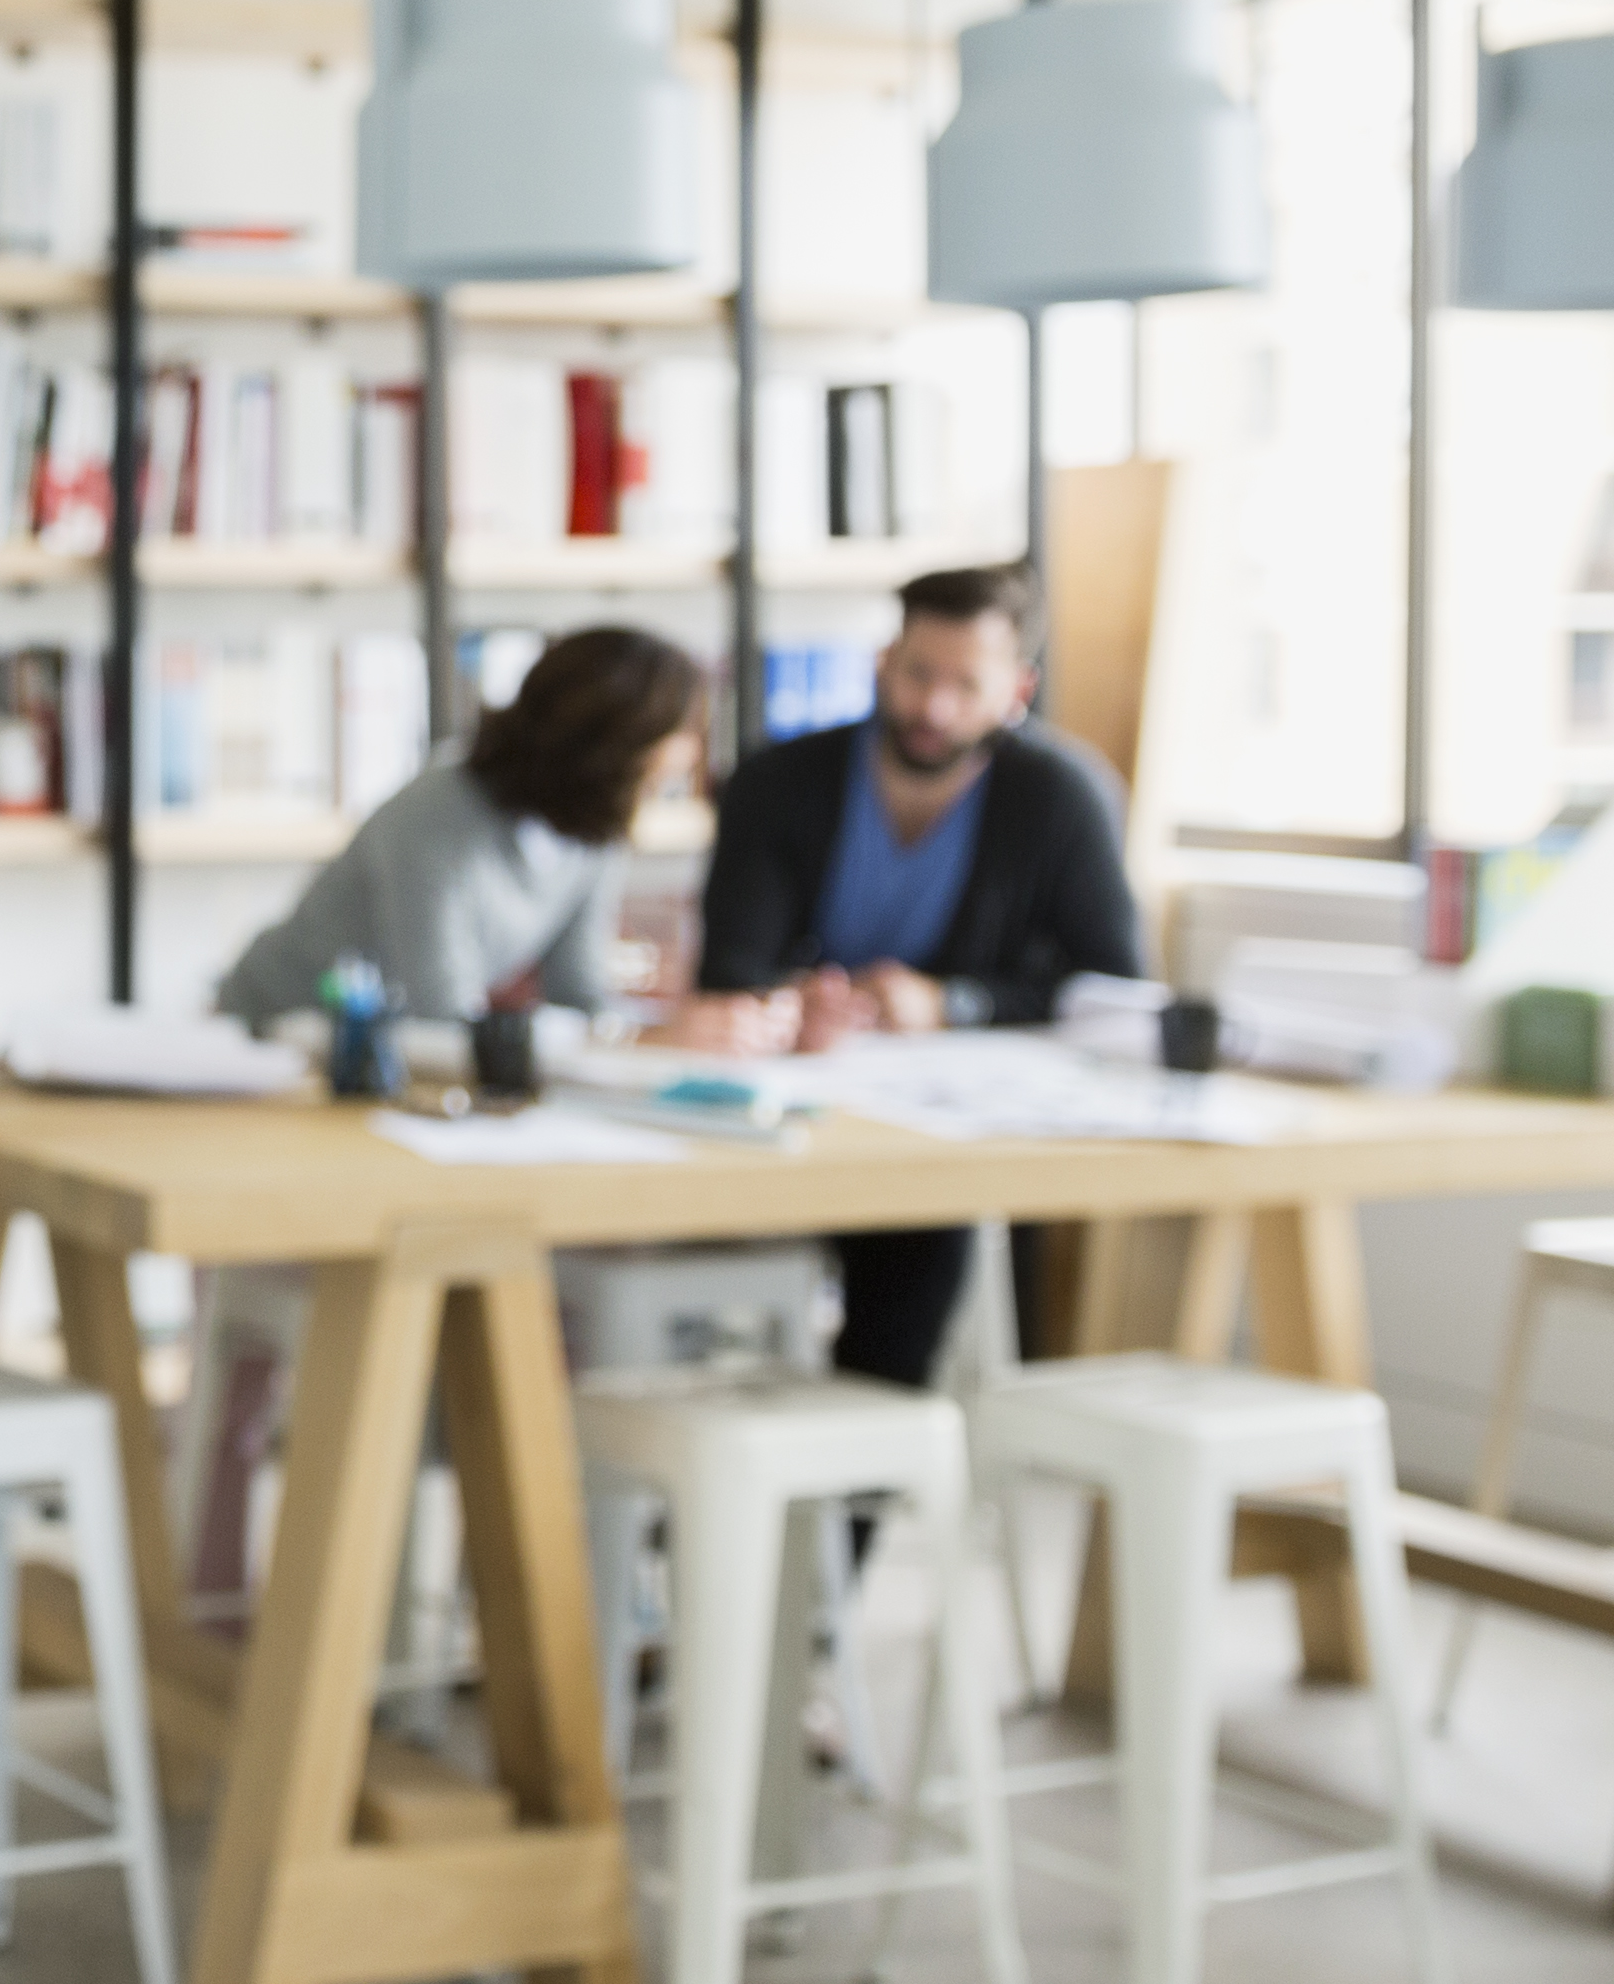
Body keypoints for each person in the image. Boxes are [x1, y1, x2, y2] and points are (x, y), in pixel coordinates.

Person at [661, 562, 1145, 1386]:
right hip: (789, 1115)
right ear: (883, 663)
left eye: (966, 683)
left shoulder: (1062, 799)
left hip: (947, 1135)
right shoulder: (777, 784)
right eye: (918, 674)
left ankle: (864, 1488)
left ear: (1017, 688)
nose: (934, 708)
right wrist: (792, 1006)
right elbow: (731, 970)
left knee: (927, 1229)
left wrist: (956, 1004)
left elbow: (1120, 990)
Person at [214, 624, 707, 1035]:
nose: (686, 756)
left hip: (393, 1055)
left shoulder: (592, 825)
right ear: (611, 743)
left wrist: (662, 1032)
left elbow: (578, 991)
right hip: (278, 1038)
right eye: (676, 734)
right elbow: (441, 1009)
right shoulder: (437, 813)